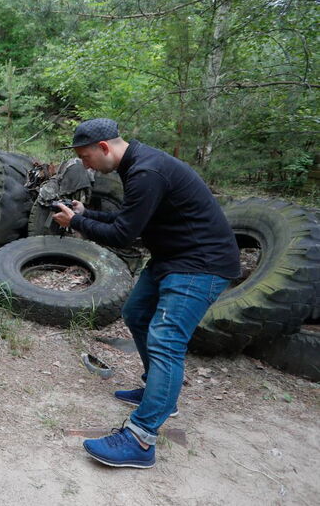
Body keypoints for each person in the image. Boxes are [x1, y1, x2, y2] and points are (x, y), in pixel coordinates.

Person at [51, 118, 240, 468]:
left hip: (200, 265)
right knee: (137, 313)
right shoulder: (137, 165)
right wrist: (86, 213)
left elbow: (123, 235)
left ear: (104, 147)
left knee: (166, 340)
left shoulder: (146, 171)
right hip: (174, 257)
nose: (84, 164)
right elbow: (133, 217)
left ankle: (140, 440)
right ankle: (159, 390)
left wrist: (76, 224)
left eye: (86, 156)